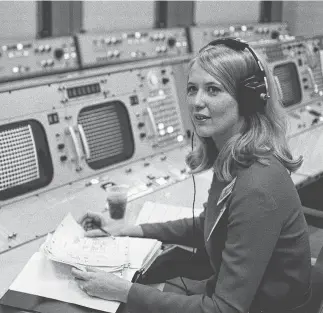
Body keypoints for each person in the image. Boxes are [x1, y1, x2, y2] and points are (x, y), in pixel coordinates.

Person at [71, 38, 312, 313]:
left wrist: (123, 291)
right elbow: (209, 225)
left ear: (247, 100)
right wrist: (129, 230)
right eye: (192, 89)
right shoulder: (233, 158)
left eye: (213, 90)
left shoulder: (257, 185)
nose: (197, 102)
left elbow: (225, 309)